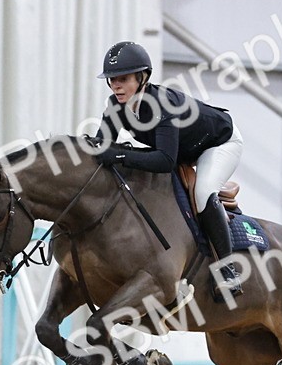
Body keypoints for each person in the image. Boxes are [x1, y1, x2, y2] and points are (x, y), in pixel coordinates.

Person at [91, 41, 244, 299]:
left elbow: (164, 161)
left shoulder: (161, 104)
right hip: (184, 147)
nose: (116, 85)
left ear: (143, 78)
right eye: (112, 79)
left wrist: (118, 154)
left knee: (204, 192)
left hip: (219, 142)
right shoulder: (115, 105)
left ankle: (227, 270)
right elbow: (101, 145)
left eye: (123, 79)